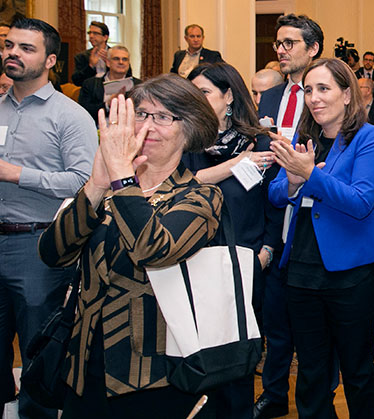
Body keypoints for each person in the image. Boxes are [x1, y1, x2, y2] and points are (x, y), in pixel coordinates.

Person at [38, 74, 224, 418]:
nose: (146, 125)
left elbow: (152, 250)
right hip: (84, 364)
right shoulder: (109, 189)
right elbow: (53, 253)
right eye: (140, 113)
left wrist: (121, 175)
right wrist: (95, 186)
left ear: (190, 128)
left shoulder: (199, 197)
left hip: (153, 374)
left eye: (162, 116)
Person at [268, 57, 374, 419]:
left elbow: (361, 202)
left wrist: (310, 175)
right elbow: (276, 194)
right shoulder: (303, 138)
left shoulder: (368, 138)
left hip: (352, 271)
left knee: (357, 368)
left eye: (324, 88)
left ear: (347, 95)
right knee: (310, 369)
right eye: (308, 90)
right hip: (302, 267)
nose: (314, 98)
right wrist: (293, 180)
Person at [0, 18, 98, 419]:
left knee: (40, 354)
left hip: (39, 247)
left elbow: (85, 181)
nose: (13, 53)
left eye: (26, 48)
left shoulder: (70, 116)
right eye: (9, 45)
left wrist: (16, 174)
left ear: (51, 60)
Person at [185, 62, 284, 418]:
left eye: (205, 92)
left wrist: (267, 251)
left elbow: (274, 201)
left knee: (241, 355)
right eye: (192, 92)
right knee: (197, 355)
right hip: (192, 262)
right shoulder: (186, 138)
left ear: (228, 96)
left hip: (246, 263)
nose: (196, 99)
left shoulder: (260, 141)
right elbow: (181, 185)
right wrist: (236, 163)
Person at [255, 14, 324, 418]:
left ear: (312, 48)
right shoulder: (269, 97)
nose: (280, 50)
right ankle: (273, 394)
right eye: (278, 43)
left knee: (316, 327)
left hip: (314, 213)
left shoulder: (325, 94)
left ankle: (316, 401)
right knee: (275, 316)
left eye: (289, 43)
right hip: (273, 209)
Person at [78, 45, 142, 124]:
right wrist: (107, 105)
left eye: (125, 59)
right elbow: (83, 112)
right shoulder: (90, 84)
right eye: (116, 59)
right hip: (98, 130)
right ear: (108, 63)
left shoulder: (139, 86)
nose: (121, 62)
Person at [72, 21, 111, 86]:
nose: (91, 36)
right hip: (91, 92)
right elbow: (77, 81)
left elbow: (127, 76)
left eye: (95, 33)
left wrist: (111, 63)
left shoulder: (117, 55)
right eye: (89, 33)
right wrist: (91, 66)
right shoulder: (82, 56)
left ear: (105, 37)